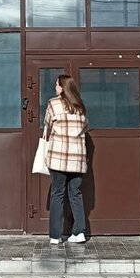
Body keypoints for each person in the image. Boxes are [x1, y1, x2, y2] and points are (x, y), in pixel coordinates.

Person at [44, 73, 89, 244]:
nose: (55, 87)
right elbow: (86, 127)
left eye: (57, 84)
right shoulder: (80, 106)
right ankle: (79, 232)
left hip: (59, 157)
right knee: (75, 193)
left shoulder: (53, 103)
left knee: (57, 193)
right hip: (77, 158)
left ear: (62, 88)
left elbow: (48, 123)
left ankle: (55, 236)